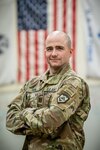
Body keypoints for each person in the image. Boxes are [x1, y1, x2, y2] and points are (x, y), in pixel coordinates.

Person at [6, 31, 91, 150]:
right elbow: (10, 119)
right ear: (45, 52)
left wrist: (24, 113)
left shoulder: (74, 83)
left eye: (59, 48)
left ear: (70, 52)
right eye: (49, 49)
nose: (54, 53)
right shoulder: (32, 84)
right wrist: (42, 122)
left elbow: (51, 121)